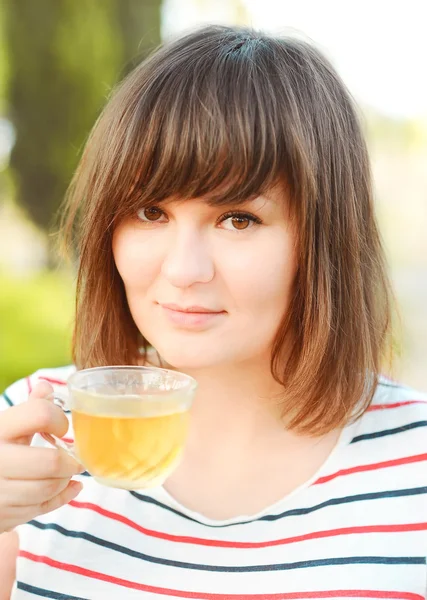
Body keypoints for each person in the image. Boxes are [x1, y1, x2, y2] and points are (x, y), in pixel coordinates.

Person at [1, 24, 426, 600]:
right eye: (150, 212)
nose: (183, 270)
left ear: (324, 238)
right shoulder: (27, 434)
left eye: (239, 219)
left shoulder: (413, 463)